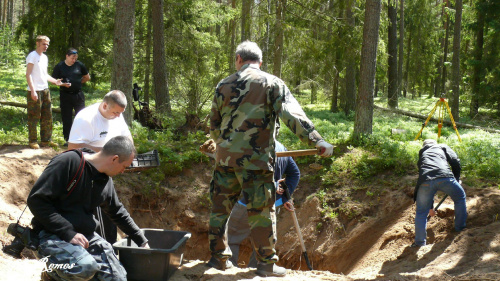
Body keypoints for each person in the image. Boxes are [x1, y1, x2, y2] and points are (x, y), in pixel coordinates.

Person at [208, 41, 334, 277]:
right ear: (260, 62)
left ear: (238, 59)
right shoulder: (272, 83)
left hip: (224, 160)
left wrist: (225, 145)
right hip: (256, 161)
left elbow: (213, 125)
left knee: (219, 210)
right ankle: (265, 265)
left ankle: (217, 260)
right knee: (262, 211)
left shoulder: (222, 85)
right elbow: (291, 114)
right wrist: (316, 140)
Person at [27, 136, 149, 281]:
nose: (123, 171)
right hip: (51, 234)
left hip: (85, 236)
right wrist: (68, 232)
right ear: (114, 159)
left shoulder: (105, 179)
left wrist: (142, 241)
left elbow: (116, 211)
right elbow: (36, 200)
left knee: (117, 278)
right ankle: (51, 274)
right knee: (84, 268)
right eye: (124, 166)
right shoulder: (69, 162)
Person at [68, 90, 133, 245]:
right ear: (104, 105)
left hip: (107, 170)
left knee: (112, 210)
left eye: (120, 113)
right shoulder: (86, 118)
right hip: (88, 174)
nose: (118, 116)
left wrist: (128, 156)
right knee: (99, 216)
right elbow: (73, 149)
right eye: (115, 112)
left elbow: (127, 136)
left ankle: (109, 247)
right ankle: (101, 248)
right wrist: (105, 154)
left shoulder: (117, 115)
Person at [227, 141, 300, 268]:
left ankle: (226, 269)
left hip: (249, 203)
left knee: (231, 236)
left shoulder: (255, 146)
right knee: (263, 241)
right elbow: (295, 174)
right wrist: (283, 198)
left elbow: (250, 175)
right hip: (272, 205)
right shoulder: (282, 148)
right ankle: (259, 269)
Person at [412, 139, 467, 247]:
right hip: (445, 177)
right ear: (435, 144)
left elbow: (427, 177)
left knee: (421, 212)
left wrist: (430, 208)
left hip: (425, 182)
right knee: (460, 197)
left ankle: (419, 243)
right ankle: (460, 228)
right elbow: (455, 161)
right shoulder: (442, 146)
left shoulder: (422, 154)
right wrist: (456, 178)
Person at [25, 35, 63, 149]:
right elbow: (28, 74)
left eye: (47, 44)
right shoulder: (32, 56)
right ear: (37, 43)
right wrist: (33, 91)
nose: (46, 46)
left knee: (47, 115)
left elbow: (44, 75)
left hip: (45, 90)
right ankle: (32, 141)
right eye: (44, 44)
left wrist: (55, 81)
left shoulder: (45, 57)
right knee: (34, 116)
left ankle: (46, 140)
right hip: (35, 90)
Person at [52, 48, 91, 145]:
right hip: (65, 95)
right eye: (72, 58)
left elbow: (87, 77)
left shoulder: (79, 65)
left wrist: (78, 82)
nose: (74, 60)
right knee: (67, 118)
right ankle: (68, 139)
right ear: (67, 56)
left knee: (81, 116)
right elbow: (54, 81)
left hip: (78, 95)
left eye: (76, 58)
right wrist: (62, 84)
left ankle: (81, 138)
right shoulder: (60, 66)